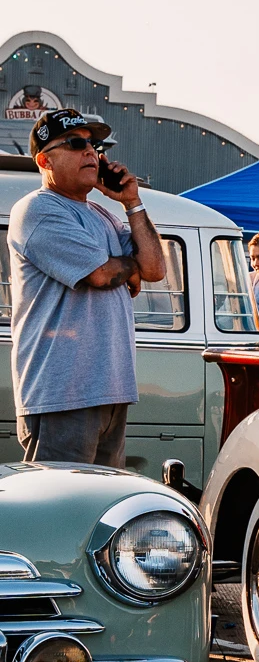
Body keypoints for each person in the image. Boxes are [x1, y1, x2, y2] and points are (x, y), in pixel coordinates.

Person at [7, 109, 166, 466]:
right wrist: (128, 269)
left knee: (100, 513)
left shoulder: (104, 214)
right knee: (57, 514)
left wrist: (132, 203)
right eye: (77, 144)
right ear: (45, 159)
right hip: (62, 394)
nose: (91, 153)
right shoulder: (37, 209)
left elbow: (154, 269)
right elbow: (99, 274)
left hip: (110, 389)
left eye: (94, 145)